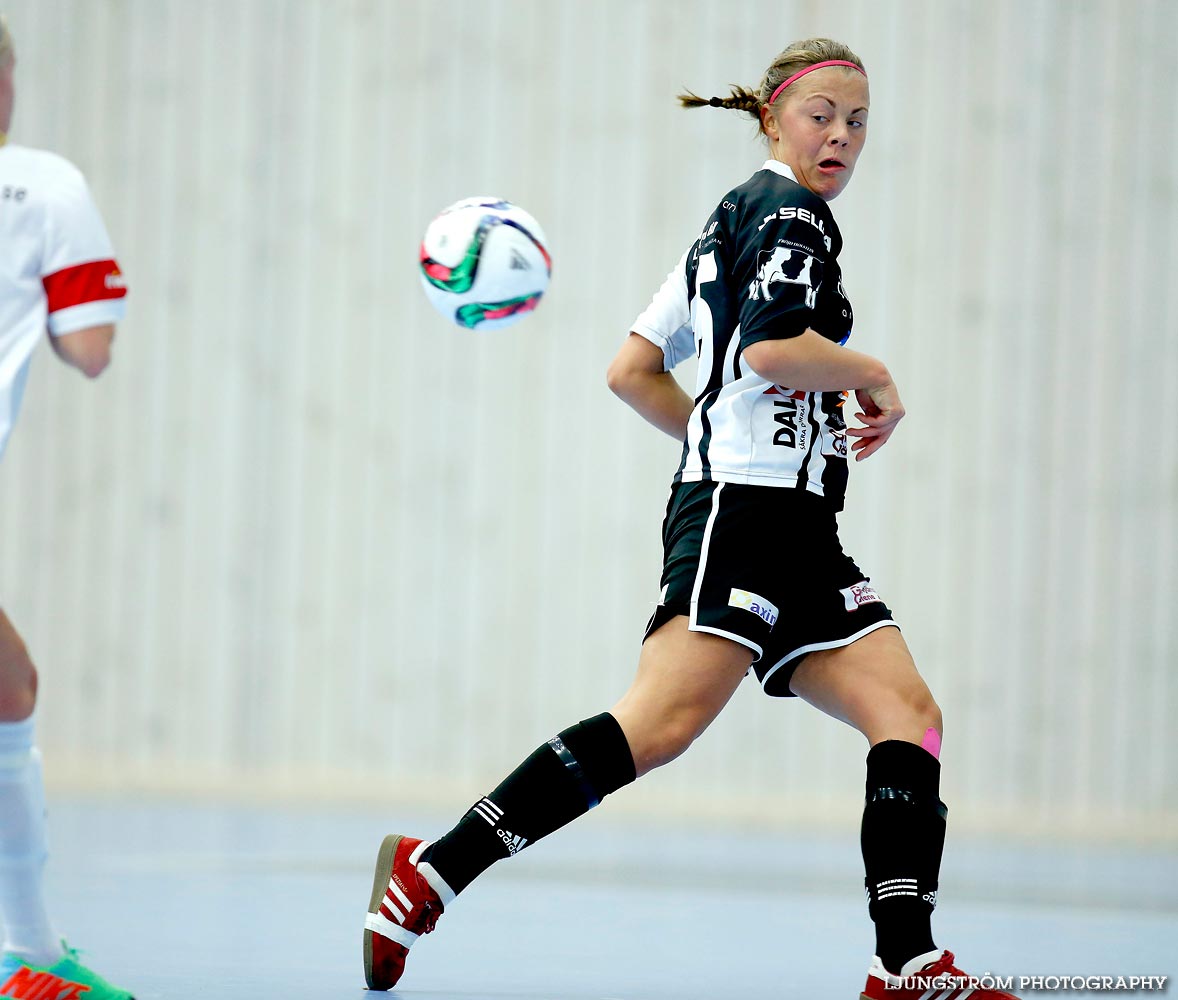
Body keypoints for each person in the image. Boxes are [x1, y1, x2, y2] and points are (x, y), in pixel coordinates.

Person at [363, 38, 1018, 1000]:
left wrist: (719, 444)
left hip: (793, 523)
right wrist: (871, 377)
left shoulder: (727, 223)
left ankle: (906, 962)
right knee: (660, 724)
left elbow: (632, 370)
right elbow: (768, 353)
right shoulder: (789, 213)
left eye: (858, 121)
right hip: (747, 519)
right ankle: (433, 872)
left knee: (908, 717)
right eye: (820, 115)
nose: (840, 135)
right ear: (771, 118)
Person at [0, 15, 133, 1000]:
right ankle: (29, 957)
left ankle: (31, 957)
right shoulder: (44, 185)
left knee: (7, 690)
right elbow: (89, 348)